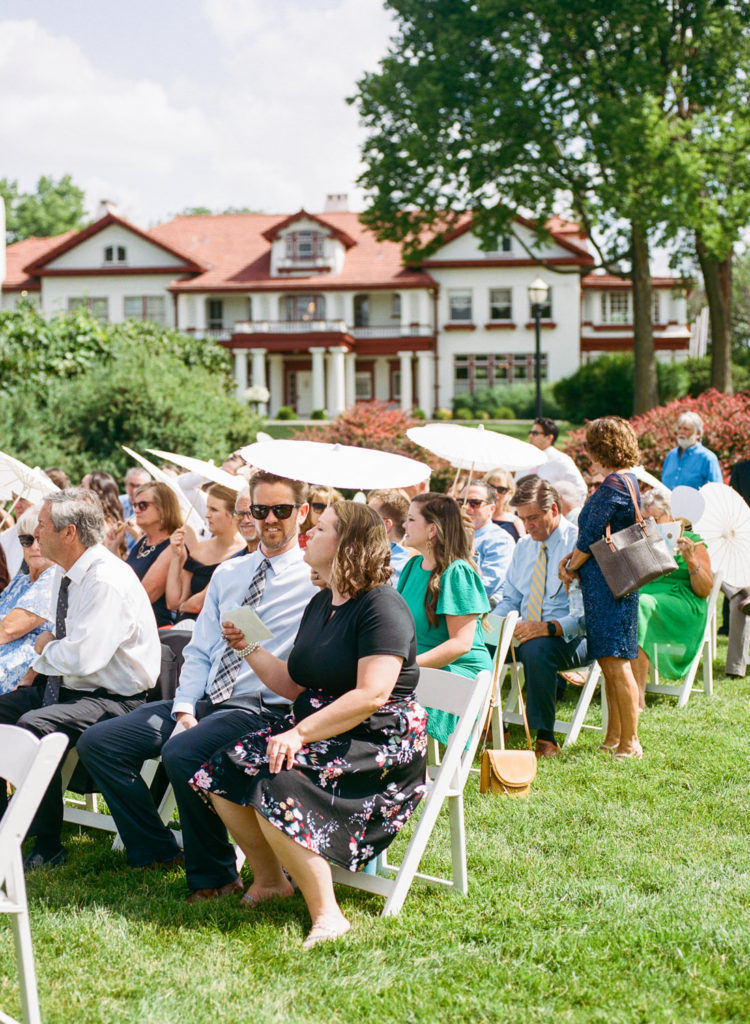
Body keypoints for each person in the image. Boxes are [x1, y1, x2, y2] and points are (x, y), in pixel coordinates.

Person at [190, 501, 427, 948]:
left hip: (375, 738)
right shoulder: (322, 602)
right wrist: (249, 647)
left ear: (347, 544)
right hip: (323, 723)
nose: (308, 534)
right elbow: (294, 683)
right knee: (220, 770)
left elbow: (372, 693)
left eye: (319, 528)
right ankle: (270, 881)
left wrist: (298, 734)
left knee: (277, 782)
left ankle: (328, 915)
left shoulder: (382, 605)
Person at [76, 472, 317, 899]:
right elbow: (201, 650)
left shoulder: (314, 579)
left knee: (182, 751)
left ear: (300, 512)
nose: (270, 520)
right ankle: (158, 849)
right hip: (207, 702)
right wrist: (185, 709)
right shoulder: (230, 573)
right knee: (100, 741)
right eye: (260, 510)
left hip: (262, 706)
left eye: (281, 510)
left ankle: (216, 876)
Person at [0, 488, 160, 869]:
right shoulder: (66, 573)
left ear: (68, 532)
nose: (34, 536)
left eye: (40, 528)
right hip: (71, 687)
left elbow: (85, 658)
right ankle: (7, 820)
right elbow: (69, 651)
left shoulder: (104, 580)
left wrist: (43, 649)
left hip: (119, 698)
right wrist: (51, 650)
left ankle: (47, 842)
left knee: (34, 725)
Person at [559, 417, 643, 760]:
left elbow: (592, 533)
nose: (587, 451)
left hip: (610, 587)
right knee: (609, 662)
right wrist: (574, 558)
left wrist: (569, 567)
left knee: (616, 662)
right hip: (607, 585)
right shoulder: (628, 481)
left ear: (600, 447)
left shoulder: (613, 484)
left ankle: (631, 742)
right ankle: (613, 737)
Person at [493, 476, 588, 757]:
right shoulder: (524, 546)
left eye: (533, 517)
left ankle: (545, 737)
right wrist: (492, 626)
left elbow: (584, 617)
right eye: (523, 518)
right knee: (476, 644)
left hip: (573, 637)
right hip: (527, 631)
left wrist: (547, 628)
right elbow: (510, 598)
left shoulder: (578, 545)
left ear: (555, 510)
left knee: (537, 648)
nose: (528, 525)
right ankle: (488, 723)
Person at [397, 492, 491, 742]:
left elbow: (461, 644)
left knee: (382, 701)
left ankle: (403, 770)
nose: (403, 525)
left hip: (456, 673)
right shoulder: (411, 567)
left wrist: (406, 667)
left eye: (410, 519)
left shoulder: (457, 572)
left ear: (432, 530)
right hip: (420, 668)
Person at [632, 489, 712, 706]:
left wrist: (691, 560)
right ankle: (610, 682)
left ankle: (636, 696)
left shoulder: (693, 541)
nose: (651, 524)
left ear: (672, 516)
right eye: (645, 520)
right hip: (648, 595)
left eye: (656, 519)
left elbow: (704, 590)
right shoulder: (645, 539)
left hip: (683, 600)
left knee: (638, 606)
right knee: (624, 603)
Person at [166, 484, 246, 621]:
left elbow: (198, 604)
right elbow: (174, 602)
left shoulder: (243, 554)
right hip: (186, 626)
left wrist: (184, 606)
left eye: (214, 510)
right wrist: (175, 556)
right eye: (208, 508)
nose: (207, 515)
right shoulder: (199, 548)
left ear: (234, 516)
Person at [0, 505, 59, 693]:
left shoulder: (52, 581)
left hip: (17, 674)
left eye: (40, 540)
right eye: (27, 540)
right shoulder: (21, 581)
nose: (34, 547)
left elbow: (7, 630)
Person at [124, 482, 182, 627]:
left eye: (143, 505)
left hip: (153, 628)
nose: (136, 510)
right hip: (129, 621)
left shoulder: (173, 547)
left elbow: (144, 595)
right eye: (134, 505)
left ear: (162, 508)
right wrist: (113, 544)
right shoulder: (143, 540)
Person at [460, 481, 514, 606]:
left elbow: (485, 587)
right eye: (461, 502)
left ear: (491, 508)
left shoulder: (500, 540)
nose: (466, 508)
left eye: (475, 503)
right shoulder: (449, 534)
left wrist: (470, 551)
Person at [527, 417, 587, 505]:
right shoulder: (526, 459)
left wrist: (565, 514)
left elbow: (581, 490)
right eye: (530, 432)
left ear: (549, 438)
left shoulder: (561, 460)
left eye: (535, 433)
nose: (530, 436)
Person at [661, 411, 722, 490]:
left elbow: (716, 491)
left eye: (686, 429)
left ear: (698, 434)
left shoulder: (708, 459)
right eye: (679, 428)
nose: (681, 432)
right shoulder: (671, 455)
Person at [368, 488, 412, 584]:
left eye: (368, 517)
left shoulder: (398, 569)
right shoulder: (409, 567)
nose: (362, 522)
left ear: (386, 525)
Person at [85, 470, 126, 556]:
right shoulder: (110, 520)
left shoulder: (101, 525)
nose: (77, 490)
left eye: (82, 486)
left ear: (95, 494)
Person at [483, 468, 525, 541]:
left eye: (501, 489)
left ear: (510, 494)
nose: (495, 493)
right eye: (491, 487)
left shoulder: (515, 522)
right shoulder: (475, 517)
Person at [120, 467, 150, 553]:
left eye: (139, 486)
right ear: (126, 484)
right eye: (131, 485)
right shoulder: (118, 503)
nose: (134, 490)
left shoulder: (153, 511)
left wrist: (137, 534)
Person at [233, 487, 260, 554]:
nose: (245, 520)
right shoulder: (235, 560)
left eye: (250, 514)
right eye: (240, 514)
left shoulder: (277, 559)